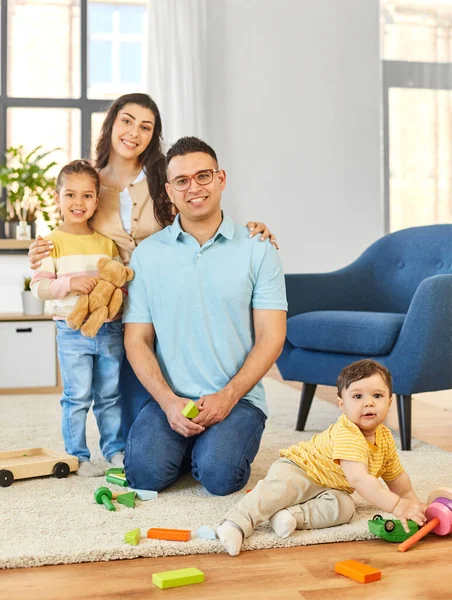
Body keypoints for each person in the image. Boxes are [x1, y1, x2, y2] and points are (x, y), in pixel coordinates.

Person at [27, 93, 278, 434]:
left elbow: (198, 212)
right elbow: (67, 231)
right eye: (127, 121)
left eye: (146, 127)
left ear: (153, 135)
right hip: (110, 311)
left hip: (164, 303)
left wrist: (251, 230)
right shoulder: (88, 183)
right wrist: (40, 252)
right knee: (123, 414)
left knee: (166, 399)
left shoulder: (164, 179)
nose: (134, 132)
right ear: (112, 123)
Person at [122, 136, 288, 496]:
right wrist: (168, 403)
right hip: (172, 397)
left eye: (204, 176)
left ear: (221, 178)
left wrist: (228, 397)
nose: (194, 187)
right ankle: (185, 444)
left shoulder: (258, 249)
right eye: (182, 181)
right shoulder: (148, 255)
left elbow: (272, 337)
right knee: (143, 475)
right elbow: (136, 339)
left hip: (238, 399)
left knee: (219, 477)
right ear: (168, 191)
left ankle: (206, 449)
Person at [217, 359, 427, 556]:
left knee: (345, 508)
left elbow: (398, 480)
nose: (369, 403)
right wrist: (397, 506)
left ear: (390, 402)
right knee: (278, 491)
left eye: (377, 396)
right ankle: (236, 523)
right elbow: (359, 480)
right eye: (357, 396)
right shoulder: (349, 433)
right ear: (341, 404)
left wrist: (415, 506)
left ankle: (290, 517)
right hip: (301, 469)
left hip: (333, 486)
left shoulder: (385, 437)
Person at [30, 160, 126, 477]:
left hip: (109, 330)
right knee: (77, 396)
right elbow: (39, 286)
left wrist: (117, 297)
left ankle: (114, 450)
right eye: (70, 195)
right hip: (71, 333)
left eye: (87, 196)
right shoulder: (50, 243)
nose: (78, 203)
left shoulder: (106, 242)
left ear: (96, 201)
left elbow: (117, 282)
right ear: (57, 197)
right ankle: (78, 456)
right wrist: (69, 284)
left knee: (110, 394)